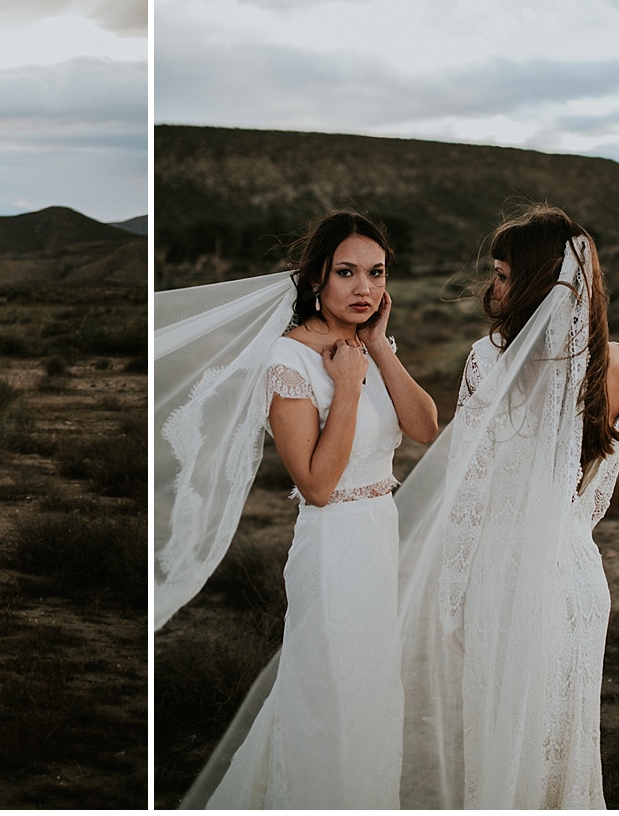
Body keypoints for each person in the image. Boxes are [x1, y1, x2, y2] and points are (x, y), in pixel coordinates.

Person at [163, 211, 439, 808]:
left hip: (378, 533)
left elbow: (424, 426)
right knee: (330, 692)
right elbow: (315, 484)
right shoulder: (288, 360)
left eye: (376, 273)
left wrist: (377, 351)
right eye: (347, 273)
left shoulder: (366, 345)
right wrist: (344, 388)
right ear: (316, 278)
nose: (364, 288)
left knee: (369, 690)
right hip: (334, 542)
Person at [395, 205, 619, 808]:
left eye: (502, 273)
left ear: (535, 281)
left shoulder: (489, 361)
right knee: (565, 749)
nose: (491, 287)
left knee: (502, 751)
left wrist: (452, 601)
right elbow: (592, 494)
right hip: (578, 581)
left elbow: (469, 498)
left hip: (505, 581)